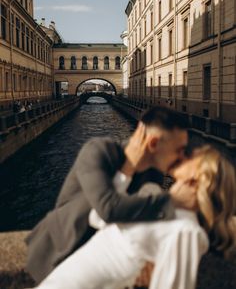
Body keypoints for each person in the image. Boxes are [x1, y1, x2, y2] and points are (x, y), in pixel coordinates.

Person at [26, 106, 195, 283]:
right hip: (60, 253)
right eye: (179, 150)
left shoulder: (157, 175)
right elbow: (107, 209)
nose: (182, 157)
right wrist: (172, 199)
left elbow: (153, 220)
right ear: (153, 144)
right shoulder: (98, 151)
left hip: (105, 263)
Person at [34, 145, 236, 289]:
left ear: (200, 178)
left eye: (191, 157)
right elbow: (98, 216)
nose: (183, 155)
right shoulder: (159, 203)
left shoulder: (186, 230)